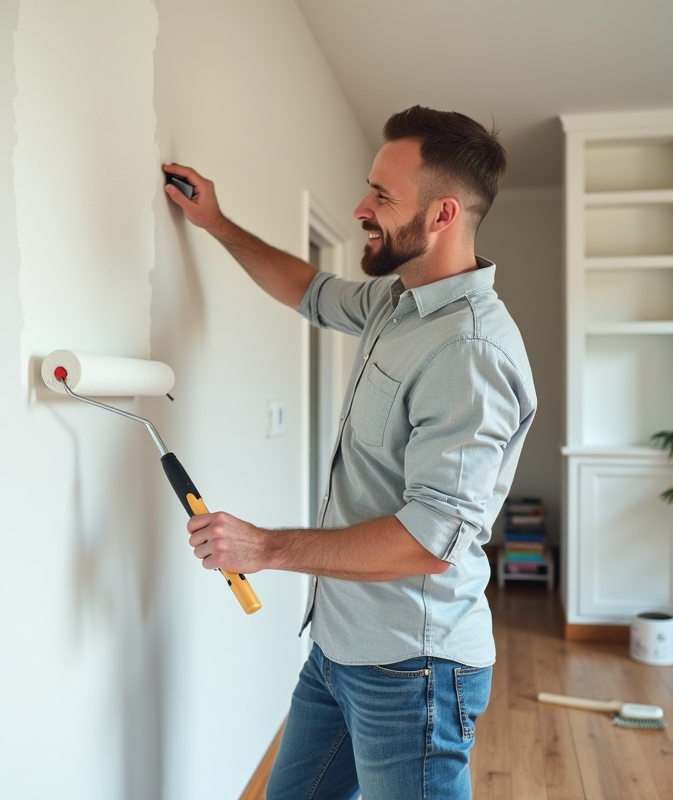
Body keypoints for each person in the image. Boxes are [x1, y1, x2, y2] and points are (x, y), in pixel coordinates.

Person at [163, 106, 536, 800]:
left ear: (442, 214)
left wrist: (264, 548)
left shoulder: (470, 351)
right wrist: (217, 223)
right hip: (339, 647)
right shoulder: (397, 302)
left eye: (382, 196)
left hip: (414, 671)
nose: (361, 208)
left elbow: (430, 541)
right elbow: (310, 291)